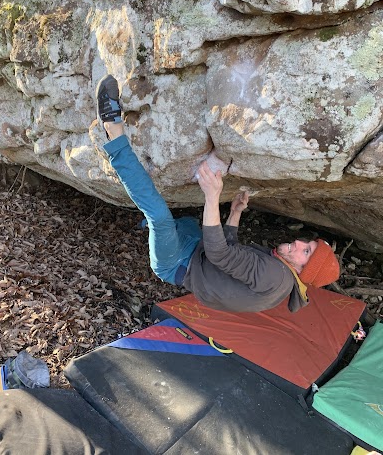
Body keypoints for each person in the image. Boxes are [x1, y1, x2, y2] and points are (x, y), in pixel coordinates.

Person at [96, 75, 340, 313]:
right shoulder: (280, 275)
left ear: (302, 270)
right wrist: (234, 214)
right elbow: (230, 254)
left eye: (305, 251)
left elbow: (218, 253)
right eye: (307, 243)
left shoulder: (274, 276)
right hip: (196, 250)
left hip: (177, 262)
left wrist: (212, 197)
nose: (298, 243)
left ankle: (113, 134)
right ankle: (152, 230)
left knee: (160, 218)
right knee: (189, 222)